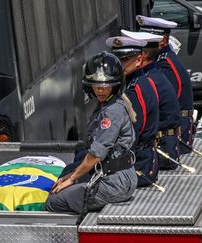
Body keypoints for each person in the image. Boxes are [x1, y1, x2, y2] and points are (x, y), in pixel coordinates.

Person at [45, 51, 137, 214]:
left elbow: (96, 154)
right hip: (114, 176)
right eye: (96, 86)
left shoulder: (111, 112)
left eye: (105, 86)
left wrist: (72, 179)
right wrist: (72, 175)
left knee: (54, 201)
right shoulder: (110, 105)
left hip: (115, 183)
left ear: (115, 85)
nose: (100, 91)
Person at [122, 30, 181, 170]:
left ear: (141, 57)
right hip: (158, 150)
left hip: (149, 158)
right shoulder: (146, 77)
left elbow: (136, 130)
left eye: (124, 59)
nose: (120, 64)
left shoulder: (142, 84)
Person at [136, 15, 195, 154]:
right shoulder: (164, 58)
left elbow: (162, 107)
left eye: (147, 38)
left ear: (162, 40)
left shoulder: (164, 65)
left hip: (175, 136)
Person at [107, 36, 160, 187]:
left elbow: (130, 137)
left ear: (138, 60)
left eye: (123, 60)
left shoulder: (133, 92)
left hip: (136, 166)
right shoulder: (136, 82)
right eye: (115, 60)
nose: (118, 65)